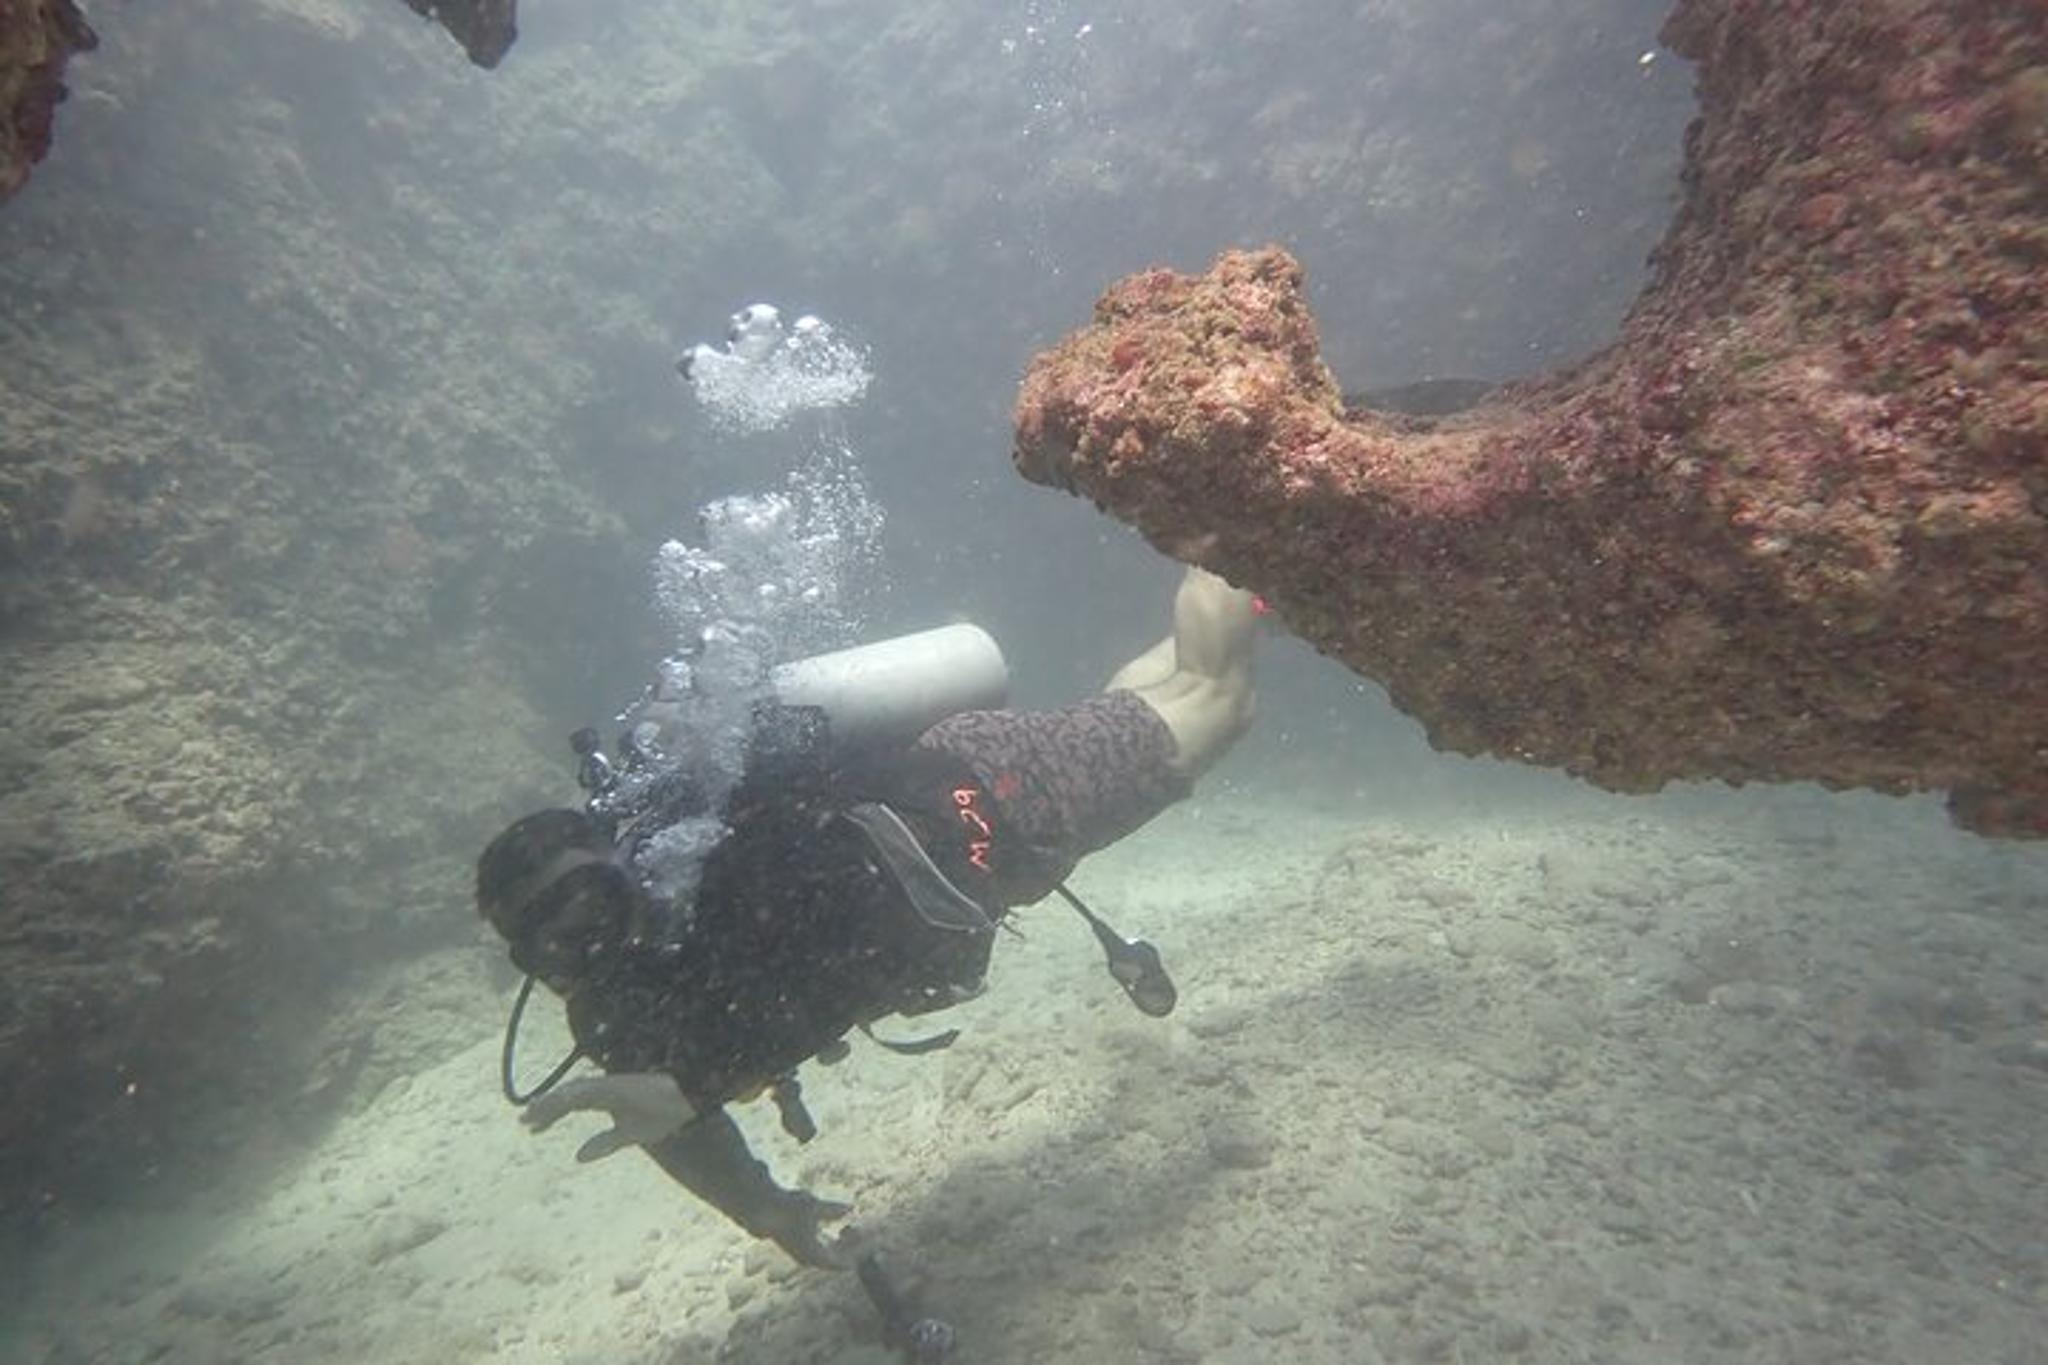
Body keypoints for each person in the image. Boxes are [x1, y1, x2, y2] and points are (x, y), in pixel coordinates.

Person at [475, 565, 1259, 1267]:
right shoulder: (614, 1011)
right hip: (987, 811)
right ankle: (1250, 595)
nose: (580, 949)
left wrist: (699, 1080)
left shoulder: (734, 873)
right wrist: (764, 1207)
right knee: (1156, 704)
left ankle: (1237, 532)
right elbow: (667, 1116)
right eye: (549, 944)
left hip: (998, 799)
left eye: (584, 915)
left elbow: (856, 941)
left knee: (1217, 705)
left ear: (617, 870)